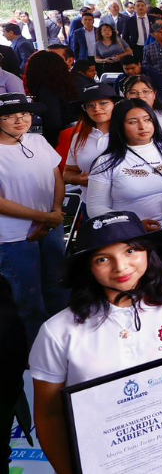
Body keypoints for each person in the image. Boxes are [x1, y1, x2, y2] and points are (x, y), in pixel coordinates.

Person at [29, 211, 162, 474]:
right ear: (88, 267)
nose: (121, 267)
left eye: (130, 251)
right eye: (103, 259)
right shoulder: (57, 331)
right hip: (101, 461)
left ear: (148, 252)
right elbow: (49, 416)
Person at [0, 93, 68, 345]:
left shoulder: (38, 141)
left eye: (25, 114)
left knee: (59, 288)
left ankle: (64, 343)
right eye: (9, 116)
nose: (20, 120)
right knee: (28, 300)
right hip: (13, 237)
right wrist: (44, 217)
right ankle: (37, 351)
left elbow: (57, 178)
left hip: (51, 226)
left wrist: (55, 211)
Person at [88, 98, 162, 238]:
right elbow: (95, 208)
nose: (142, 126)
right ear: (119, 126)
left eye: (147, 120)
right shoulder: (105, 162)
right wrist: (133, 224)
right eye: (133, 122)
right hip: (132, 235)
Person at [63, 83, 121, 200]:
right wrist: (78, 179)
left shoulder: (129, 133)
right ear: (85, 109)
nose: (97, 108)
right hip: (89, 202)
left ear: (115, 104)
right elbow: (68, 172)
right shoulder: (78, 138)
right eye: (90, 105)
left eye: (103, 103)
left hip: (125, 204)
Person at [24, 49, 86, 145]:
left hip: (65, 139)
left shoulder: (47, 90)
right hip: (87, 132)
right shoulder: (79, 80)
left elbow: (52, 123)